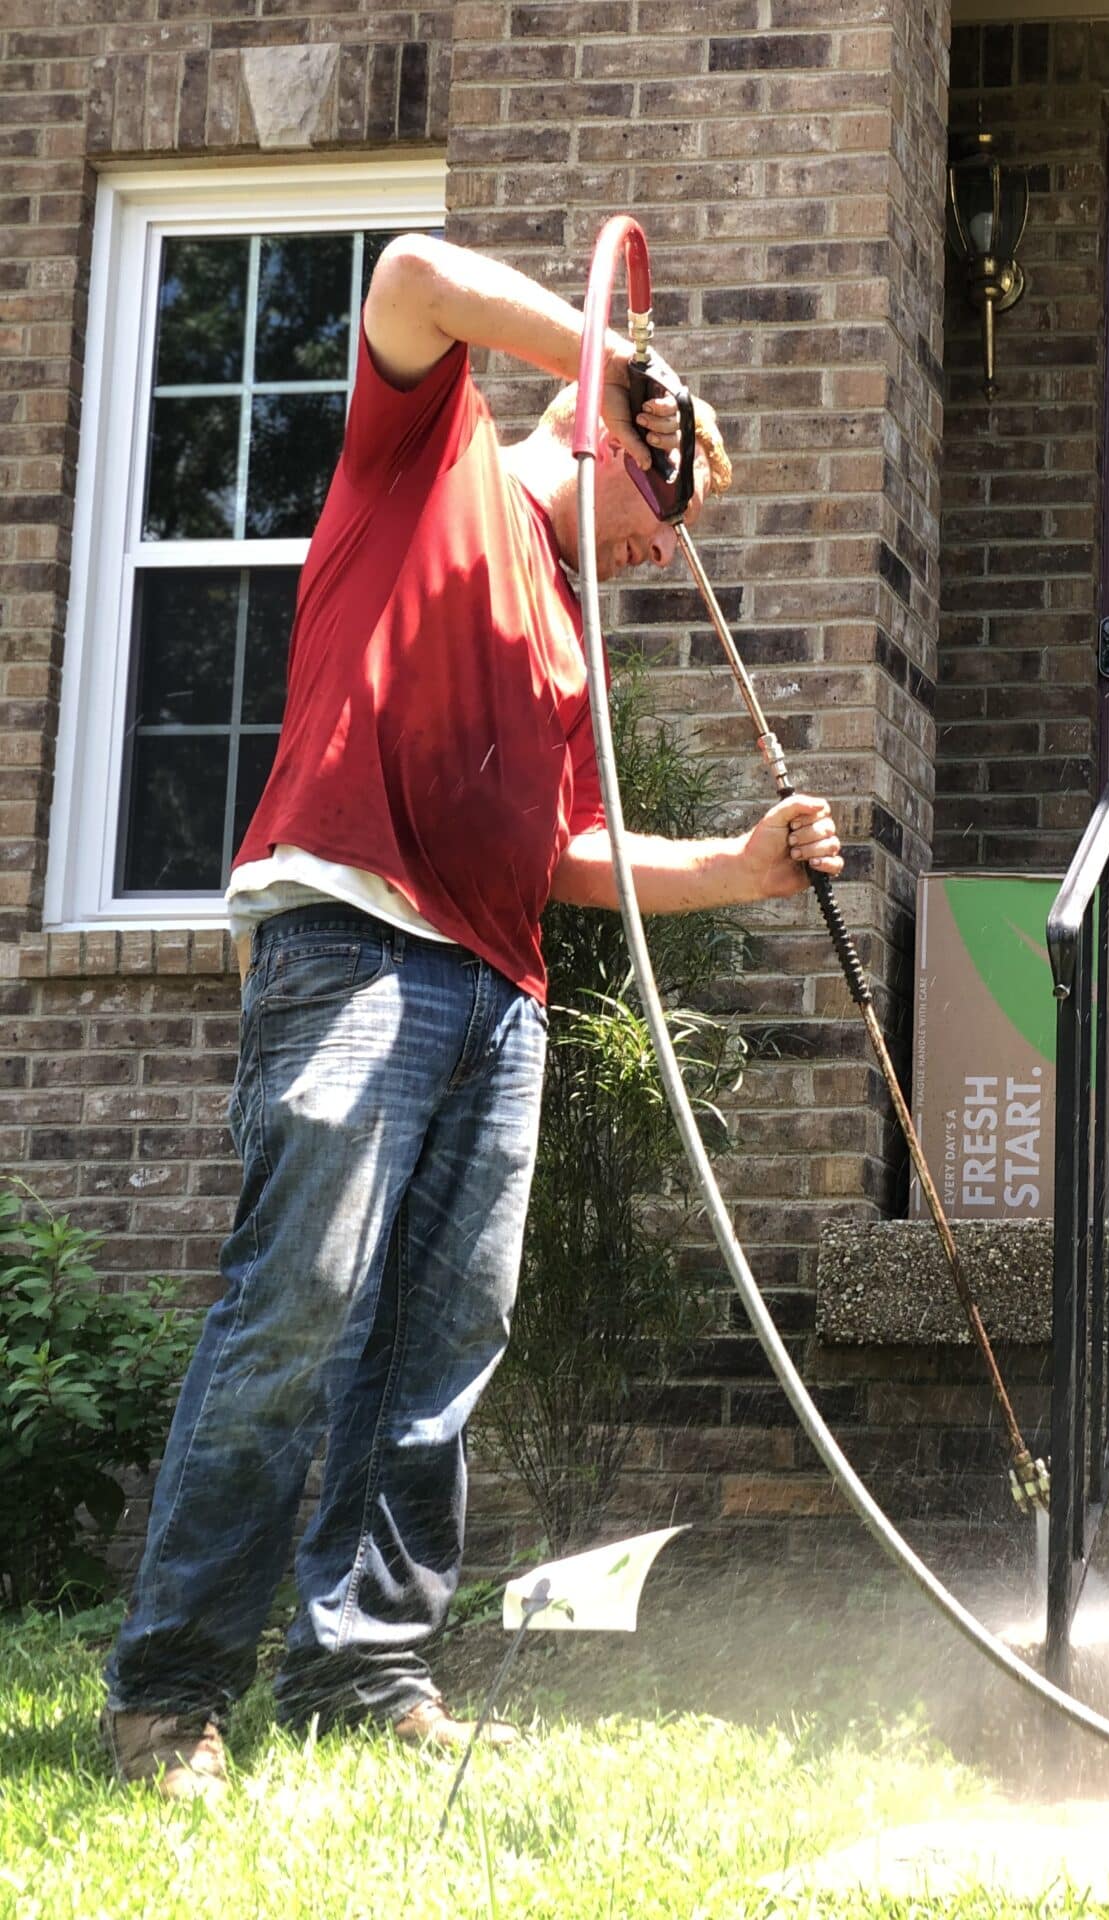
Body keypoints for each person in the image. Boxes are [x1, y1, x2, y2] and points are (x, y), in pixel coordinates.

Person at [99, 234, 843, 1799]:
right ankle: (170, 1695)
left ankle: (362, 1670)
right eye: (672, 503)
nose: (672, 544)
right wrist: (609, 356)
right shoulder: (427, 468)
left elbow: (567, 852)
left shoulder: (568, 641)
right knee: (296, 1306)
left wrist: (740, 869)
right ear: (604, 446)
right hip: (353, 944)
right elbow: (415, 270)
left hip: (500, 990)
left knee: (442, 1343)